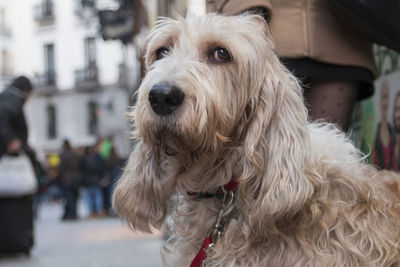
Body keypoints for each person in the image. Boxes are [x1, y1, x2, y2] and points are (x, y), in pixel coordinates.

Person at [206, 0, 376, 131]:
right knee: (250, 160)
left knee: (323, 162)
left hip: (343, 33)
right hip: (265, 36)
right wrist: (249, 13)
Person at [0, 76, 35, 157]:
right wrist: (11, 139)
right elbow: (2, 116)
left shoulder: (8, 97)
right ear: (26, 91)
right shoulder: (13, 99)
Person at [372, 81, 396, 170]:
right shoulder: (375, 135)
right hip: (379, 181)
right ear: (379, 101)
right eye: (383, 97)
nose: (385, 102)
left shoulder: (393, 133)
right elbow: (374, 166)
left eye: (387, 97)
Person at [58, 139, 81, 220]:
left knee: (68, 198)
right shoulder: (75, 154)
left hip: (66, 180)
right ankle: (74, 213)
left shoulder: (63, 155)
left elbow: (61, 168)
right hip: (75, 179)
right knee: (74, 198)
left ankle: (70, 214)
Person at [80, 144, 106, 218]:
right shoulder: (97, 157)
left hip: (87, 180)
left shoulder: (84, 158)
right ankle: (99, 211)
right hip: (96, 179)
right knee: (98, 195)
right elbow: (102, 167)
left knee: (89, 196)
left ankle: (91, 212)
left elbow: (81, 170)